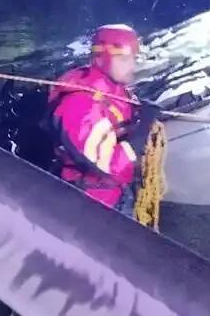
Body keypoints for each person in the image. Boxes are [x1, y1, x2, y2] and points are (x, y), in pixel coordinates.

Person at [48, 24, 158, 215]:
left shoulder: (113, 88)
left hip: (117, 193)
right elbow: (107, 165)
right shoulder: (81, 105)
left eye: (133, 59)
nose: (132, 66)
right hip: (94, 205)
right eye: (124, 59)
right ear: (103, 58)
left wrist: (141, 113)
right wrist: (141, 135)